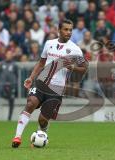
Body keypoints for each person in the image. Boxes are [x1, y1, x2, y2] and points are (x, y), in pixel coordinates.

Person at [11, 19, 88, 148]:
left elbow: (85, 68)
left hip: (56, 89)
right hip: (41, 82)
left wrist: (73, 68)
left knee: (42, 119)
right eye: (66, 29)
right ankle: (17, 137)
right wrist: (31, 77)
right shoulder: (49, 43)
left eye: (70, 30)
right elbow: (41, 63)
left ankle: (42, 133)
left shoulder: (75, 50)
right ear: (59, 30)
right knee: (30, 104)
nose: (68, 32)